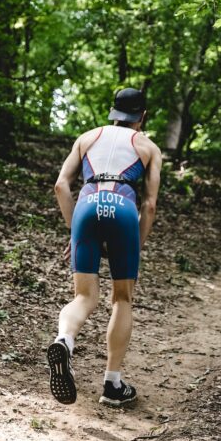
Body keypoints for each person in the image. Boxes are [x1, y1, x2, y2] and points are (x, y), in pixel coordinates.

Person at [46, 88, 163, 407]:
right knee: (122, 298)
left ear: (113, 112)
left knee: (84, 296)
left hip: (86, 205)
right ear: (142, 116)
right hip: (124, 209)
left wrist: (74, 231)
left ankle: (64, 340)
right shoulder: (148, 147)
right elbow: (150, 205)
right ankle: (112, 385)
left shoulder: (87, 137)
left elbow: (60, 186)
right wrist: (135, 244)